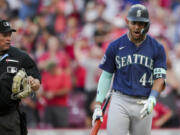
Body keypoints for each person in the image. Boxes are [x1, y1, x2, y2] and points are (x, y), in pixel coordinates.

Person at [92, 4, 167, 135]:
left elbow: (160, 78)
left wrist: (152, 98)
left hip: (144, 101)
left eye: (141, 23)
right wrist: (98, 105)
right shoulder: (115, 45)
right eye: (134, 22)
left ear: (147, 24)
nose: (137, 27)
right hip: (120, 99)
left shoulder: (157, 48)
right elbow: (106, 75)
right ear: (127, 22)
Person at [0, 19, 41, 135]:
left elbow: (36, 79)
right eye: (4, 35)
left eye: (10, 35)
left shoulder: (20, 56)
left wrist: (34, 83)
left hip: (10, 117)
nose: (9, 38)